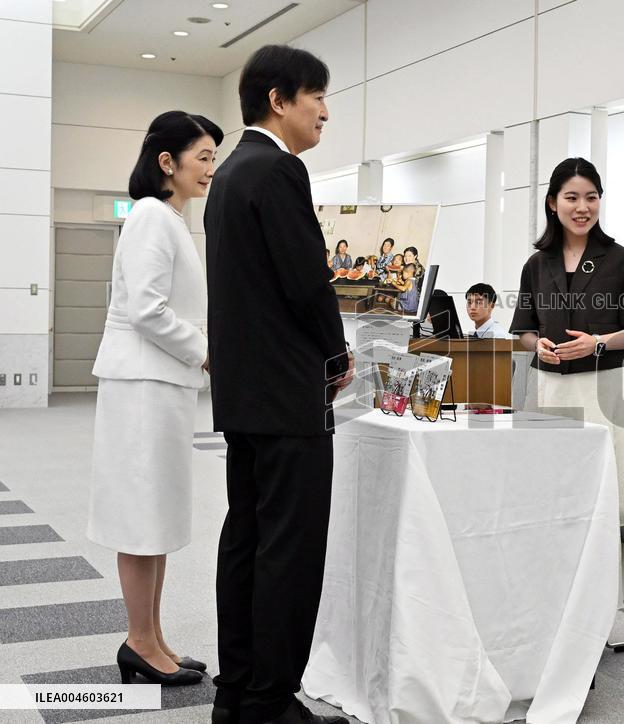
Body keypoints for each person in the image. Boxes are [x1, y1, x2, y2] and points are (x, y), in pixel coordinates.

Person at [204, 45, 353, 724]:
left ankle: (236, 691)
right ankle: (270, 701)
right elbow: (306, 281)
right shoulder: (279, 169)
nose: (325, 110)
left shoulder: (230, 173)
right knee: (290, 551)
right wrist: (337, 350)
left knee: (246, 538)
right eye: (315, 95)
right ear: (278, 99)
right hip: (290, 394)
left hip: (243, 393)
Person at [88, 110, 223, 687]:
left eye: (214, 158)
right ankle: (139, 640)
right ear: (167, 162)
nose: (211, 169)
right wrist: (205, 349)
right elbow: (146, 309)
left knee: (158, 516)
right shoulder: (150, 215)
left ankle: (153, 637)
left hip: (160, 384)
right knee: (141, 516)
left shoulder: (169, 218)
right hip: (142, 384)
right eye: (202, 158)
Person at [510, 157, 624, 601]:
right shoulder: (537, 265)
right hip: (551, 388)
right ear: (553, 203)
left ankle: (605, 599)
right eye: (571, 197)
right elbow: (524, 332)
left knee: (610, 494)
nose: (582, 206)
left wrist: (598, 343)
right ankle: (556, 596)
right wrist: (540, 346)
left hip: (604, 388)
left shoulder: (620, 260)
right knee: (556, 492)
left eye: (591, 197)